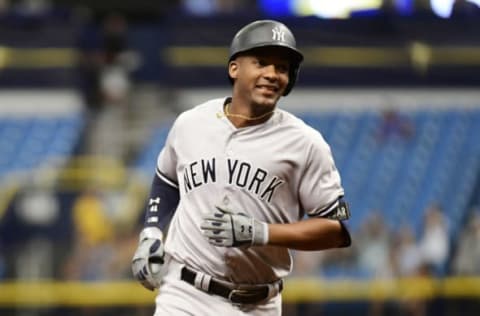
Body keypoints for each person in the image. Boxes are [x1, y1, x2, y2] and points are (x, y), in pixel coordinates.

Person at [131, 19, 352, 315]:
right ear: (234, 68)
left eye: (282, 68)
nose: (272, 74)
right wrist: (152, 233)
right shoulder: (190, 124)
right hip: (185, 294)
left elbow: (335, 230)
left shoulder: (306, 144)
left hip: (258, 303)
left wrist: (261, 232)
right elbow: (167, 179)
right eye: (261, 62)